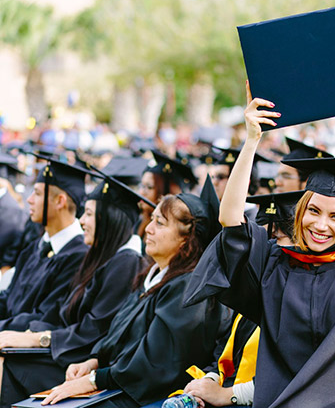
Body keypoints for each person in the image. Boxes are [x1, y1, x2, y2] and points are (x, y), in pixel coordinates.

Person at [183, 64, 335, 407]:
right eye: (314, 211)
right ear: (300, 211)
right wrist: (251, 139)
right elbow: (230, 220)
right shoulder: (274, 265)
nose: (321, 225)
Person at [38, 177, 223, 407]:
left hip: (151, 396)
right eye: (151, 220)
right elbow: (120, 333)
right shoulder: (153, 277)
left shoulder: (188, 288)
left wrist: (95, 380)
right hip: (121, 386)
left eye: (161, 223)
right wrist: (94, 362)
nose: (149, 229)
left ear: (187, 239)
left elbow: (156, 362)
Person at [0, 174, 150, 407]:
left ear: (108, 218)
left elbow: (94, 330)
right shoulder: (98, 258)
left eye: (89, 214)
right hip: (68, 355)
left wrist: (37, 339)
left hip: (79, 362)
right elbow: (61, 315)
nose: (81, 221)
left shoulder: (126, 262)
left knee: (3, 363)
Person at [0, 156, 91, 331]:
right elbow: (8, 298)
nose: (29, 199)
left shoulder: (79, 256)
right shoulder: (37, 246)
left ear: (60, 201)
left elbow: (46, 318)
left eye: (38, 193)